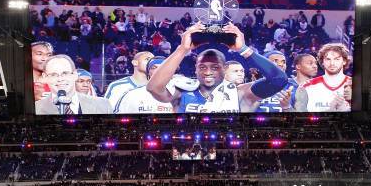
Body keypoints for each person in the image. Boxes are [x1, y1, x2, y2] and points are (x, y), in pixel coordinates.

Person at [146, 22, 287, 113]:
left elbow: (279, 80)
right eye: (202, 67)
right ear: (195, 69)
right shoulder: (181, 91)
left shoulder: (240, 93)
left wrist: (243, 49)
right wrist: (182, 49)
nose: (208, 72)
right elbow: (153, 88)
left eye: (215, 67)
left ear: (224, 69)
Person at [114, 57, 198, 114]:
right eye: (154, 68)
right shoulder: (132, 95)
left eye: (162, 68)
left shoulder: (183, 94)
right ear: (148, 73)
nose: (158, 71)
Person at [35, 54, 112, 115]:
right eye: (53, 75)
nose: (60, 79)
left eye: (65, 73)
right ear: (45, 77)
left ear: (75, 75)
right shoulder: (36, 108)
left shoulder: (103, 105)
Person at [294, 43, 352, 112]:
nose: (332, 63)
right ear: (322, 62)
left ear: (344, 61)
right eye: (328, 59)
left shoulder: (356, 84)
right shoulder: (306, 86)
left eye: (337, 59)